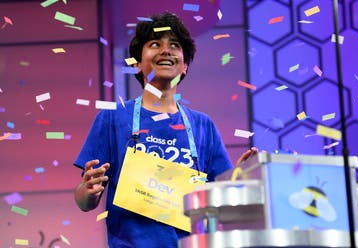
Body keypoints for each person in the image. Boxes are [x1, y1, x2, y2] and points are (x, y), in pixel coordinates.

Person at [73, 12, 257, 248]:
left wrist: (239, 179)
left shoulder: (203, 125)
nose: (166, 50)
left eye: (175, 45)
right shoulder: (112, 118)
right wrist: (88, 190)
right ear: (137, 63)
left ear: (185, 65)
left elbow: (221, 204)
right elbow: (84, 202)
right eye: (154, 44)